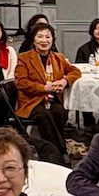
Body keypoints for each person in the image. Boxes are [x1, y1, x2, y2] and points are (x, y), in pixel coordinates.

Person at [14, 24, 82, 152]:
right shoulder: (24, 58)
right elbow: (21, 82)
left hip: (53, 99)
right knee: (44, 115)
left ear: (52, 40)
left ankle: (53, 150)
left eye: (47, 37)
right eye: (40, 37)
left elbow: (75, 72)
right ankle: (59, 150)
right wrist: (44, 88)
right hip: (32, 101)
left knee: (60, 112)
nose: (44, 40)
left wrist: (64, 81)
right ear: (33, 40)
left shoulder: (58, 57)